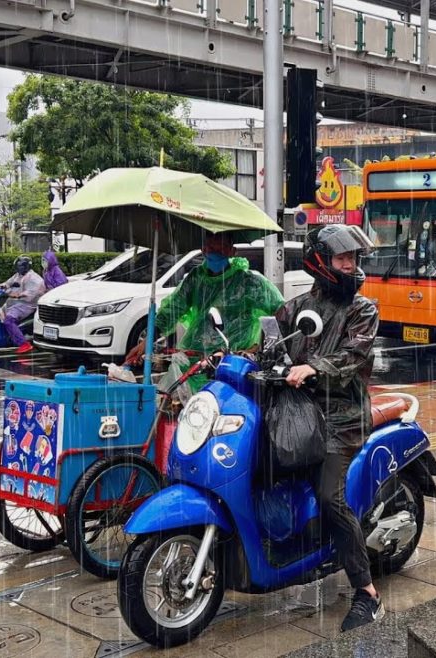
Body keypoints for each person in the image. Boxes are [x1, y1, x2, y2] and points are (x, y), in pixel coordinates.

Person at [275, 224, 382, 633]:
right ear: (320, 262)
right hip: (298, 414)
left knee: (328, 496)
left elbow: (354, 355)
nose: (351, 266)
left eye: (353, 259)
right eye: (343, 259)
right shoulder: (294, 308)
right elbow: (269, 346)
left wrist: (313, 367)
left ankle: (367, 593)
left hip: (342, 419)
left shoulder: (361, 309)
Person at [124, 233, 284, 391]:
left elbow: (281, 312)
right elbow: (170, 312)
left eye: (218, 247)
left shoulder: (249, 283)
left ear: (232, 251)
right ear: (202, 249)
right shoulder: (195, 279)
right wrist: (146, 343)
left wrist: (260, 349)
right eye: (209, 247)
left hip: (233, 363)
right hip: (196, 362)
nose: (213, 252)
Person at [0, 255, 46, 355]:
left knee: (8, 320)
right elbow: (8, 283)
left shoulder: (34, 279)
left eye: (20, 266)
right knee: (0, 314)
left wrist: (17, 295)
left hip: (27, 305)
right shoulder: (18, 275)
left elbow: (29, 294)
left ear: (25, 266)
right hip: (15, 302)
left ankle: (24, 344)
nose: (18, 268)